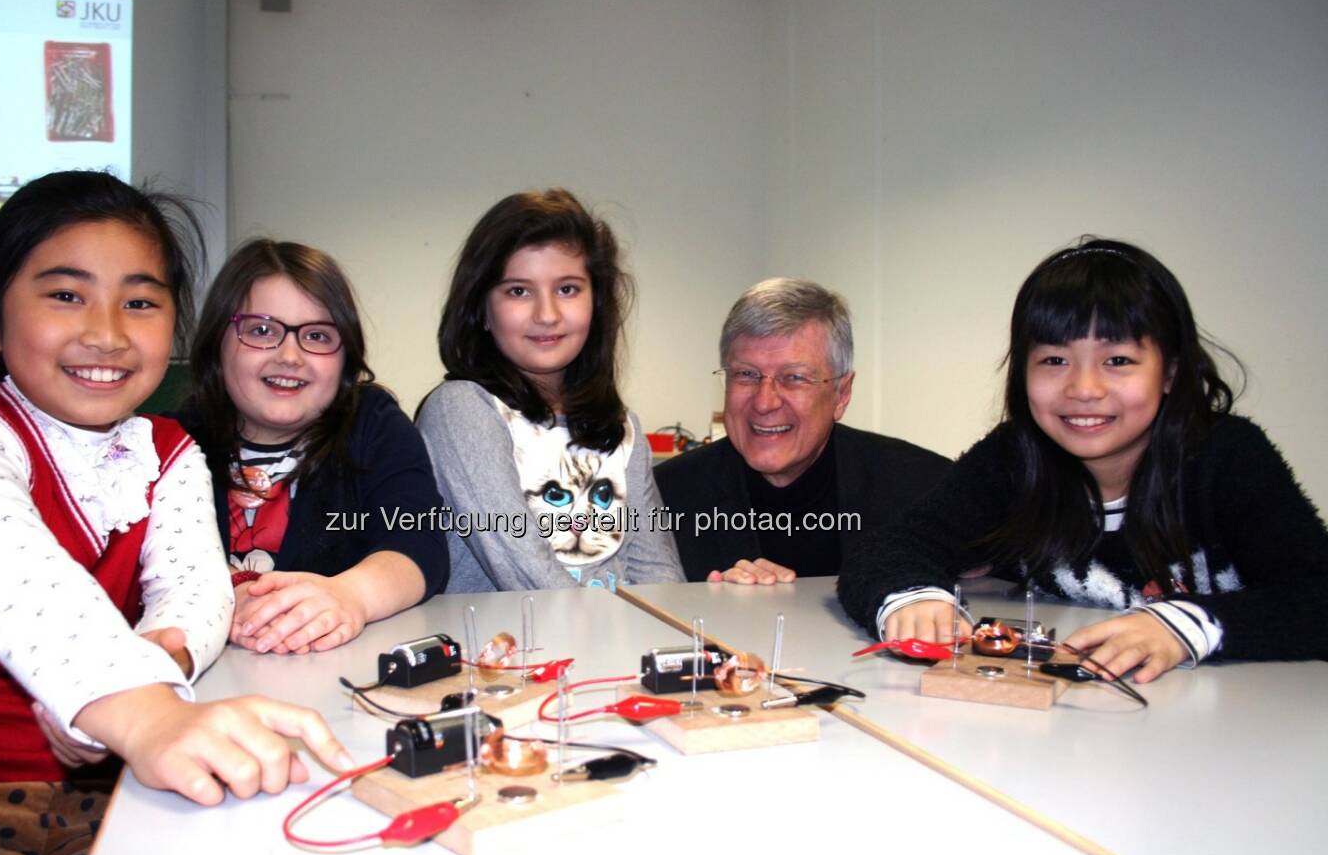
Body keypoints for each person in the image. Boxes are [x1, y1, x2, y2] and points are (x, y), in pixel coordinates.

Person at [0, 172, 352, 855]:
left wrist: (143, 686)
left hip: (116, 797)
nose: (106, 332)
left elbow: (197, 595)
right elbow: (26, 589)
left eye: (140, 302)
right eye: (65, 295)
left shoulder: (166, 451)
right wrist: (144, 713)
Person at [838, 238, 1328, 681]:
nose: (1083, 389)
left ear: (1171, 373)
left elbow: (1315, 595)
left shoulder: (1226, 456)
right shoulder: (1014, 456)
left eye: (1118, 360)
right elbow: (890, 545)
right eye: (1054, 360)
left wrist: (1187, 626)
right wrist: (913, 597)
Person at [177, 240, 448, 655]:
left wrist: (351, 596)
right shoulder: (171, 441)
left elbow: (417, 542)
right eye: (262, 330)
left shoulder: (372, 425)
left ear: (346, 358)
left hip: (336, 668)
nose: (291, 356)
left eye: (318, 336)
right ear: (218, 341)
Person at [417, 188, 683, 592]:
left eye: (568, 289)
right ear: (481, 311)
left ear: (597, 304)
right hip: (510, 651)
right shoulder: (461, 409)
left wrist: (667, 648)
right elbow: (525, 572)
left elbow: (657, 570)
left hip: (618, 646)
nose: (547, 314)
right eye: (518, 291)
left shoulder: (621, 426)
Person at [656, 277, 950, 583]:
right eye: (746, 374)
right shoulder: (664, 496)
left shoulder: (925, 488)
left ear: (842, 394)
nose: (765, 402)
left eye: (794, 378)